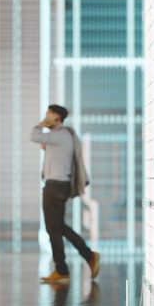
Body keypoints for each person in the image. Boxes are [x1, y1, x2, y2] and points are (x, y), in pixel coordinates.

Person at [30, 104, 100, 286]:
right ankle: (86, 256)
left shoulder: (60, 135)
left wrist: (40, 124)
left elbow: (33, 136)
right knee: (58, 227)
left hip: (55, 186)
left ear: (57, 118)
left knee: (54, 229)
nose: (46, 118)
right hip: (57, 185)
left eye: (49, 115)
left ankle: (63, 269)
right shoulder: (62, 136)